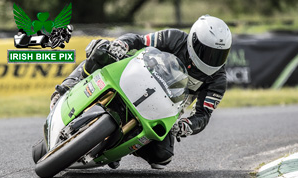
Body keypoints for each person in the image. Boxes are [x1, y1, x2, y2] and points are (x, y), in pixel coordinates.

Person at [50, 15, 232, 169]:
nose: (213, 60)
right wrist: (122, 45)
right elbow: (139, 40)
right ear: (193, 41)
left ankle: (118, 148)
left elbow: (203, 114)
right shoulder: (175, 38)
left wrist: (188, 125)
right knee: (102, 51)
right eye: (207, 52)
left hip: (164, 106)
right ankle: (66, 87)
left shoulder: (218, 79)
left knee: (163, 156)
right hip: (137, 76)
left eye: (219, 55)